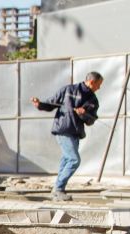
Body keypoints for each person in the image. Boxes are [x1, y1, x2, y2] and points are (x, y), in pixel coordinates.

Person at [31, 71, 103, 201]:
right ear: (91, 82)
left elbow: (91, 120)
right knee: (74, 159)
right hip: (64, 129)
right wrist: (40, 104)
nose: (99, 88)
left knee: (66, 160)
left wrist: (83, 114)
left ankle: (58, 190)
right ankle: (58, 189)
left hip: (75, 132)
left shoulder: (93, 100)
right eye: (98, 85)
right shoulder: (68, 90)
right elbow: (51, 103)